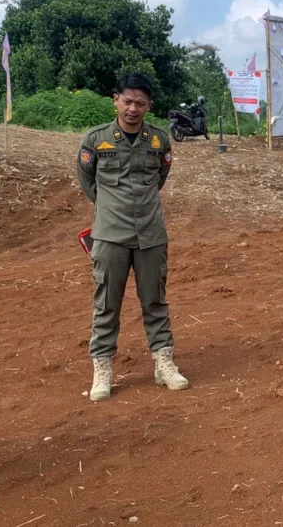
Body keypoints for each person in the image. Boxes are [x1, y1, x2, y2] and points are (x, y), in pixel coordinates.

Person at [77, 72, 188, 402]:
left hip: (151, 233)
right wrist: (110, 207)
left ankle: (163, 362)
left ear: (149, 105)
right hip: (110, 234)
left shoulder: (159, 140)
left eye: (140, 103)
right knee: (107, 302)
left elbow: (160, 178)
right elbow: (87, 180)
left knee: (155, 300)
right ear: (116, 100)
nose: (133, 108)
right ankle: (102, 367)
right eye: (127, 101)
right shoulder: (96, 140)